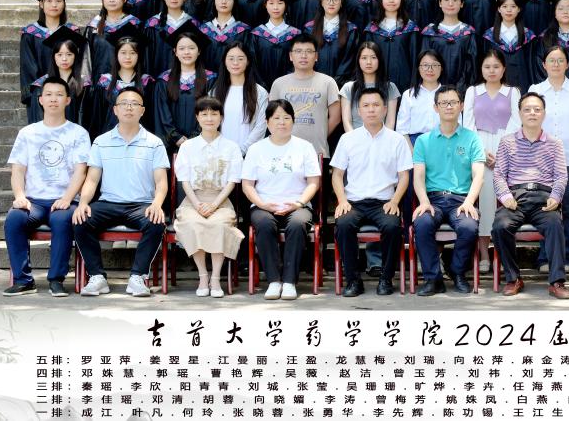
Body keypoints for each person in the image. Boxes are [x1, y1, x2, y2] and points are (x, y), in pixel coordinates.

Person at [73, 88, 169, 298]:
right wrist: (83, 202)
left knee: (156, 222)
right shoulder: (101, 141)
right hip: (108, 203)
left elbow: (161, 182)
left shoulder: (154, 143)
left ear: (142, 111)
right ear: (115, 110)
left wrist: (156, 204)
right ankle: (97, 277)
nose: (129, 107)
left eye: (134, 103)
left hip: (141, 205)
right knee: (81, 220)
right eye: (124, 103)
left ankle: (137, 277)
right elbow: (92, 179)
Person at [3, 78, 91, 297]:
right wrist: (20, 196)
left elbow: (81, 171)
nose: (53, 99)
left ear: (67, 100)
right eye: (49, 94)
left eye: (59, 95)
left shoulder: (78, 133)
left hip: (65, 199)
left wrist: (67, 198)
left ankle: (56, 280)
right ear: (40, 100)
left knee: (62, 220)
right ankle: (24, 280)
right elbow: (18, 170)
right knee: (14, 218)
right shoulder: (28, 133)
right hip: (33, 201)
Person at [331, 87, 414, 297]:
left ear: (385, 109)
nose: (371, 110)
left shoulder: (396, 140)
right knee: (343, 225)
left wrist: (395, 201)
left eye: (376, 105)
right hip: (353, 202)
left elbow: (404, 176)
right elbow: (337, 175)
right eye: (366, 106)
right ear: (359, 111)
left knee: (392, 227)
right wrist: (342, 200)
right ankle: (353, 281)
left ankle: (386, 279)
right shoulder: (348, 139)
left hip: (384, 202)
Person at [491, 92, 569, 298]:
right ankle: (513, 278)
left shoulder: (555, 143)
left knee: (555, 225)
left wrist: (556, 197)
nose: (532, 113)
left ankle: (557, 281)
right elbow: (499, 174)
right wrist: (505, 196)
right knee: (500, 226)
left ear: (544, 113)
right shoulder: (507, 142)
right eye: (527, 109)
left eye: (537, 109)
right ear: (519, 113)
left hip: (544, 199)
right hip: (515, 198)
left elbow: (561, 175)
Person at [241, 100, 322, 300]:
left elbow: (313, 182)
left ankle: (289, 282)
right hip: (264, 205)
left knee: (297, 224)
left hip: (297, 205)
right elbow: (247, 185)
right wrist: (262, 204)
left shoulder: (304, 147)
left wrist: (299, 203)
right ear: (267, 122)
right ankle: (274, 281)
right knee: (264, 224)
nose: (281, 122)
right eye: (276, 118)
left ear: (293, 121)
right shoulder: (256, 149)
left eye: (286, 118)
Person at [412, 85, 486, 295]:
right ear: (436, 107)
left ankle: (457, 272)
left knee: (469, 226)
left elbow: (478, 175)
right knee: (422, 223)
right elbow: (418, 176)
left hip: (460, 200)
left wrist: (469, 202)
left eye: (453, 102)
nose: (449, 107)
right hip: (433, 199)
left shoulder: (472, 138)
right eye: (443, 103)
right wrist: (424, 202)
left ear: (461, 106)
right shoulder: (423, 141)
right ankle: (433, 279)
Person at [173, 97, 245, 298]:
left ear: (221, 117)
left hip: (220, 200)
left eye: (214, 114)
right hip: (193, 200)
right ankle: (203, 276)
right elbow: (184, 180)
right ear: (197, 117)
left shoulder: (231, 147)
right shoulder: (188, 147)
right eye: (204, 114)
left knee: (218, 225)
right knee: (193, 224)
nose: (209, 118)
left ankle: (215, 278)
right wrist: (197, 205)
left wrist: (214, 205)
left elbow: (232, 181)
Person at [529, 45, 569, 271]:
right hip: (542, 161)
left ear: (567, 64)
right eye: (551, 60)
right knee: (546, 209)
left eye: (560, 60)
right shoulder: (536, 89)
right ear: (544, 65)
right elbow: (530, 124)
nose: (556, 64)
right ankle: (545, 257)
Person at [463, 49, 522, 273]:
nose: (492, 71)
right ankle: (484, 253)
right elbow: (467, 124)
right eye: (487, 67)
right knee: (485, 201)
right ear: (481, 69)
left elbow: (517, 123)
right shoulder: (472, 91)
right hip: (478, 149)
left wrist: (501, 152)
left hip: (507, 148)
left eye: (496, 66)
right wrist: (481, 152)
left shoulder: (513, 92)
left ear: (504, 68)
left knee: (506, 201)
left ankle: (504, 253)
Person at [269, 33, 341, 158]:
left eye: (309, 51)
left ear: (316, 56)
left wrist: (320, 135)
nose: (303, 56)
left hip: (317, 151)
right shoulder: (279, 84)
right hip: (284, 151)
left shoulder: (328, 82)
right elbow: (271, 117)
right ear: (291, 56)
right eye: (298, 51)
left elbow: (335, 117)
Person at [153, 21, 217, 154]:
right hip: (172, 145)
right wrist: (176, 137)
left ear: (199, 51)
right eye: (181, 48)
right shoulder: (164, 80)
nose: (186, 52)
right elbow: (162, 114)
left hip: (202, 143)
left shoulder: (210, 79)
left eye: (191, 48)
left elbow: (211, 111)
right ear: (175, 51)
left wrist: (194, 138)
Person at [20, 0, 81, 111]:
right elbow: (28, 66)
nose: (54, 5)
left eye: (58, 0)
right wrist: (43, 89)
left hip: (69, 91)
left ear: (64, 3)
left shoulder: (72, 31)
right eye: (49, 1)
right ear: (41, 4)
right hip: (40, 93)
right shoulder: (30, 33)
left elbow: (78, 63)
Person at [362, 0, 421, 93]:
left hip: (405, 83)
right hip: (377, 84)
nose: (391, 0)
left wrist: (413, 85)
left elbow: (414, 60)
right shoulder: (372, 29)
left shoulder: (410, 28)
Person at [420, 0, 479, 92]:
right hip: (434, 89)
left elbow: (471, 65)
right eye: (446, 0)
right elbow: (425, 63)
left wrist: (462, 89)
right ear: (440, 3)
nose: (450, 4)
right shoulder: (430, 32)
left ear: (462, 4)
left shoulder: (468, 32)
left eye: (455, 0)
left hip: (463, 90)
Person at [211, 41, 268, 155]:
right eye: (231, 58)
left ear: (248, 61)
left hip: (250, 155)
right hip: (220, 154)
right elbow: (209, 123)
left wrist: (242, 151)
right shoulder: (214, 92)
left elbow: (261, 126)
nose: (235, 63)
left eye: (240, 59)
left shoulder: (260, 92)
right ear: (224, 61)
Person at [27, 26, 90, 128]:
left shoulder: (84, 84)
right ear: (54, 56)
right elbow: (37, 118)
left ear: (75, 56)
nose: (64, 59)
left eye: (69, 54)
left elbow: (90, 118)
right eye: (59, 54)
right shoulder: (41, 85)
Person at [482, 0, 539, 91]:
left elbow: (532, 66)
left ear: (519, 9)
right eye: (504, 6)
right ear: (499, 9)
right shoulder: (489, 36)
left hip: (523, 85)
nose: (509, 10)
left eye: (513, 6)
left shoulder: (528, 36)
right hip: (497, 87)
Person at [247, 0, 301, 90]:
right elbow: (253, 63)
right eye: (271, 3)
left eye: (280, 3)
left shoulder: (295, 34)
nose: (275, 7)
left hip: (290, 87)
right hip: (261, 88)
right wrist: (262, 86)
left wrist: (288, 83)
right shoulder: (257, 34)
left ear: (285, 5)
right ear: (265, 5)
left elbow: (298, 61)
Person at [86, 0, 140, 80]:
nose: (111, 0)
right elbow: (87, 58)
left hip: (127, 81)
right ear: (102, 0)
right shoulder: (94, 26)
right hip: (99, 81)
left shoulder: (134, 24)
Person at [305, 0, 359, 85]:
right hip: (314, 84)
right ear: (321, 2)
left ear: (341, 2)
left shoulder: (351, 30)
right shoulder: (309, 29)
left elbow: (350, 60)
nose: (331, 3)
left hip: (342, 84)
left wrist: (336, 82)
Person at [340, 41, 401, 133]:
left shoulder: (390, 87)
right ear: (358, 61)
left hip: (382, 139)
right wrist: (353, 139)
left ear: (379, 60)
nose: (369, 62)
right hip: (355, 138)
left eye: (373, 57)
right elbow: (347, 121)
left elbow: (390, 122)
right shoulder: (349, 88)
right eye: (364, 58)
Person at [197, 0, 251, 74]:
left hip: (233, 78)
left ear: (234, 2)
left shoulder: (244, 31)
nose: (224, 2)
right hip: (207, 80)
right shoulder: (203, 30)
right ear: (214, 1)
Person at [396, 50, 445, 140]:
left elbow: (458, 126)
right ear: (418, 68)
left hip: (445, 141)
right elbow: (402, 130)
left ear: (441, 68)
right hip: (415, 143)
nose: (430, 69)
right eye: (425, 65)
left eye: (435, 65)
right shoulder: (409, 95)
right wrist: (412, 149)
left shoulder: (449, 94)